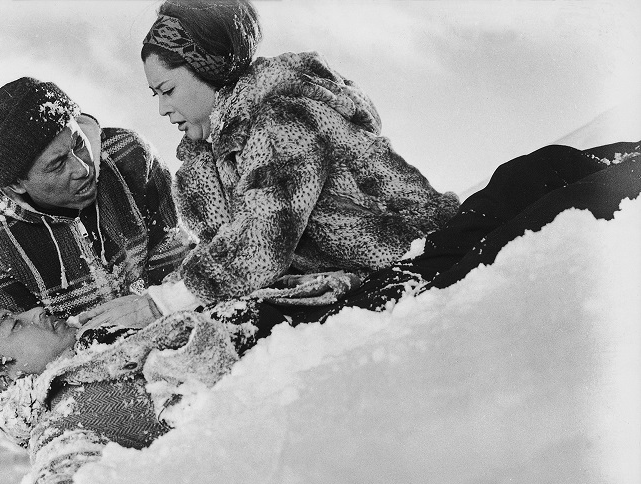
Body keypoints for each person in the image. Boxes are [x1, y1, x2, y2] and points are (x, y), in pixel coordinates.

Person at [82, 0, 459, 330]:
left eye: (168, 90)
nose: (162, 108)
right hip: (366, 276)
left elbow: (262, 239)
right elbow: (232, 252)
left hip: (423, 256)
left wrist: (159, 304)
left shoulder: (281, 120)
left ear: (209, 69)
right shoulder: (217, 156)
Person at [0, 303, 260, 484]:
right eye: (15, 324)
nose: (36, 312)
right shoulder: (60, 425)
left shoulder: (91, 351)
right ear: (7, 379)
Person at [0, 76, 193, 324]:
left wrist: (154, 308)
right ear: (16, 184)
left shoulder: (131, 155)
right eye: (57, 165)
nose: (82, 169)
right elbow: (32, 348)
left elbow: (179, 260)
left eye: (78, 144)